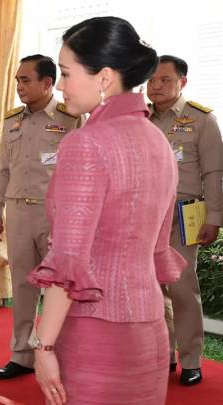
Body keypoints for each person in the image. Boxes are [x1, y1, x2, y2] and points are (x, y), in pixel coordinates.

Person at [28, 17, 186, 405]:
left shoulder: (86, 144)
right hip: (149, 331)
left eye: (66, 73)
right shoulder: (158, 141)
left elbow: (69, 261)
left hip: (94, 335)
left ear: (104, 77)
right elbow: (156, 247)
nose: (61, 85)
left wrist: (43, 346)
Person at [0, 54, 82, 380]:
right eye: (17, 80)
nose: (19, 87)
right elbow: (1, 171)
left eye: (25, 80)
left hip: (54, 215)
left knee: (62, 288)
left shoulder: (73, 118)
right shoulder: (11, 120)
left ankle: (63, 357)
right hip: (17, 213)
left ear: (47, 82)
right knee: (24, 286)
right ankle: (21, 356)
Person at [147, 55, 223, 386]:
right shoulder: (140, 118)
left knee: (181, 288)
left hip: (182, 216)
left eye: (165, 80)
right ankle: (164, 355)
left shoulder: (201, 119)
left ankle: (191, 359)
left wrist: (215, 217)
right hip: (145, 216)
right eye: (151, 80)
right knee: (151, 289)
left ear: (183, 82)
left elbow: (214, 173)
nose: (156, 86)